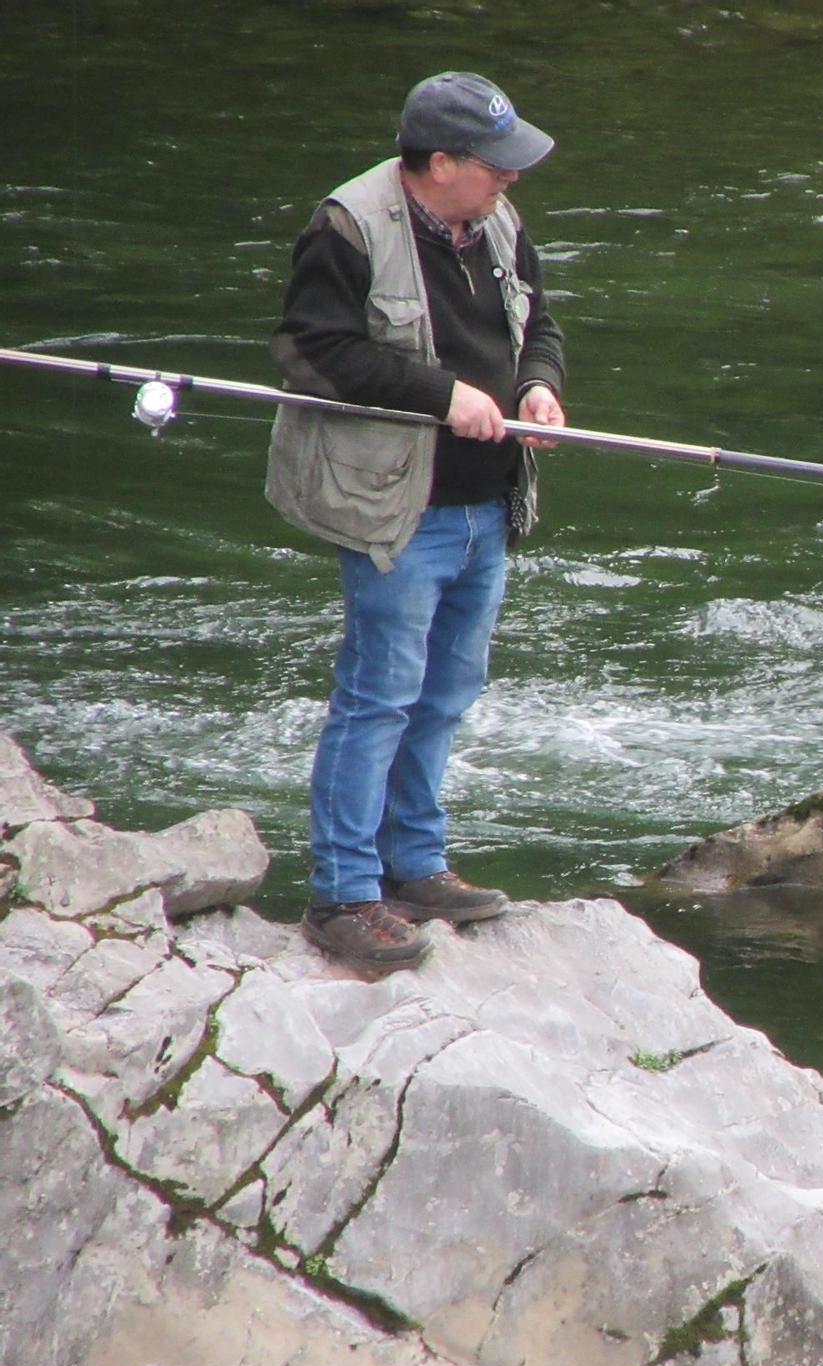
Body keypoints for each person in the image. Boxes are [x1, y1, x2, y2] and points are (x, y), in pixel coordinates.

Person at [267, 71, 567, 970]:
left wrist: (539, 385)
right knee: (379, 698)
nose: (511, 180)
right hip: (400, 511)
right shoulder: (348, 226)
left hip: (488, 506)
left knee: (445, 695)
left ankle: (415, 866)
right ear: (441, 163)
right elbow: (314, 352)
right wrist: (443, 396)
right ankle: (344, 896)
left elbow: (539, 320)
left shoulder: (499, 222)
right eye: (495, 165)